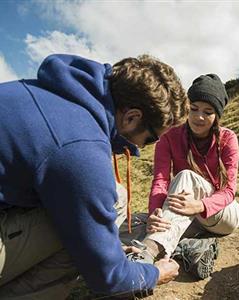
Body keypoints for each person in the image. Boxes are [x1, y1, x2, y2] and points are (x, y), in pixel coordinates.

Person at [0, 53, 189, 299]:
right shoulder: (80, 149)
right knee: (92, 222)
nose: (142, 148)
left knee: (106, 204)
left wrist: (107, 245)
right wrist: (154, 274)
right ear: (132, 117)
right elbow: (108, 278)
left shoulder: (54, 95)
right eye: (151, 138)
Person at [123, 74, 239, 279]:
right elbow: (160, 180)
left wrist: (200, 205)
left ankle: (149, 252)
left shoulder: (228, 138)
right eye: (193, 108)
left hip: (222, 214)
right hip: (184, 214)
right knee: (126, 225)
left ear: (217, 116)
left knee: (186, 176)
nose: (199, 117)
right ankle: (192, 245)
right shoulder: (169, 136)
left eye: (208, 112)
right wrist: (155, 213)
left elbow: (229, 191)